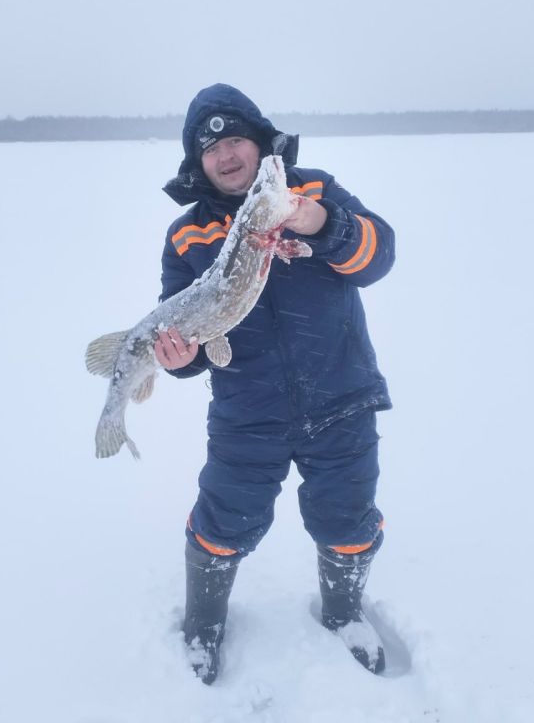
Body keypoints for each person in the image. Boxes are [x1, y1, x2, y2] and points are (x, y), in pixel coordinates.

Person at [154, 83, 395, 684]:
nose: (226, 155)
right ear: (198, 163)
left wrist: (320, 222)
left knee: (347, 519)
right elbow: (187, 337)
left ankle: (344, 613)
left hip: (341, 398)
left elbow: (378, 257)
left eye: (236, 139)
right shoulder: (188, 236)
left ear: (261, 144)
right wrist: (179, 358)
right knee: (223, 521)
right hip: (247, 412)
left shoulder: (313, 192)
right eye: (211, 149)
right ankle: (203, 622)